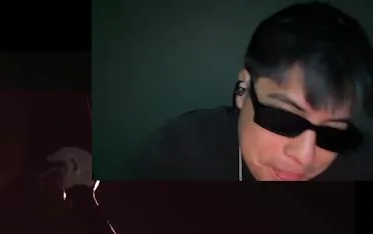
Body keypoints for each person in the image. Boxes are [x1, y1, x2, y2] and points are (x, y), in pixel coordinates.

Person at [132, 2, 373, 181]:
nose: (304, 156)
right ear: (243, 90)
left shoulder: (363, 165)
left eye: (333, 134)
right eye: (284, 119)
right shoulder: (176, 155)